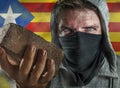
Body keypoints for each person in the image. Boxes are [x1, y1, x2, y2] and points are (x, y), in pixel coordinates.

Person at [0, 0, 120, 88]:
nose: (79, 39)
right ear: (56, 33)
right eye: (67, 30)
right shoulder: (39, 73)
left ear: (104, 32)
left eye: (89, 29)